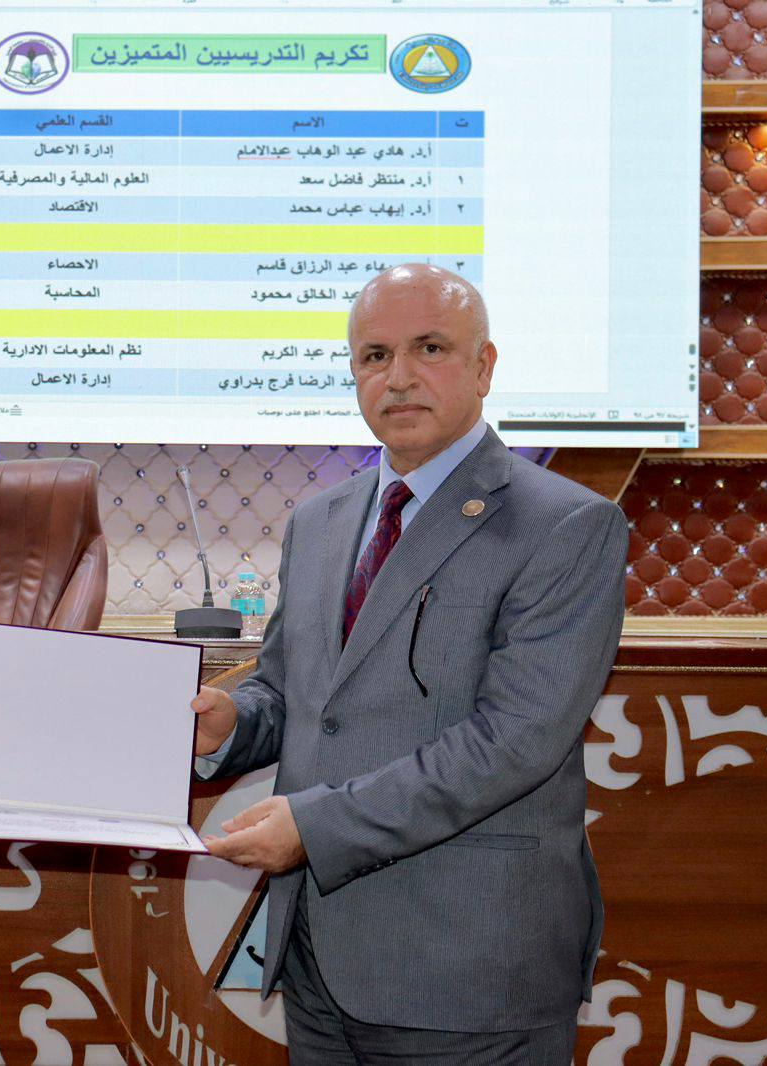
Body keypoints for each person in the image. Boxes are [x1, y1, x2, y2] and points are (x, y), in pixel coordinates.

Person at [194, 264, 627, 1064]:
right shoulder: (320, 519)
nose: (398, 377)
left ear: (484, 367)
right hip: (319, 962)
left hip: (469, 968)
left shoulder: (567, 525)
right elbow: (292, 692)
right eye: (374, 355)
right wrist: (231, 724)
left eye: (429, 348)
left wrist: (316, 827)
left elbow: (514, 742)